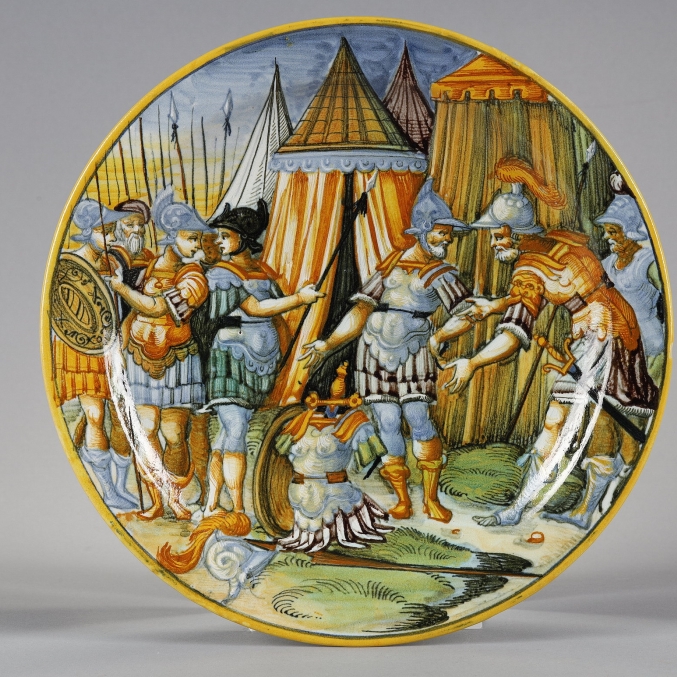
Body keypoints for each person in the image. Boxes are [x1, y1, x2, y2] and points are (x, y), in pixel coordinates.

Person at [442, 159, 659, 529]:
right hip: (616, 334)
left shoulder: (528, 268)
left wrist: (472, 363)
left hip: (600, 338)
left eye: (496, 235)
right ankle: (581, 511)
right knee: (602, 425)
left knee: (559, 423)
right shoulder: (558, 244)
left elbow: (512, 335)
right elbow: (553, 291)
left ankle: (521, 510)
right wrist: (495, 304)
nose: (493, 244)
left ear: (511, 231)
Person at [300, 179, 473, 523]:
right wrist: (327, 343)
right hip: (373, 352)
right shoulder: (391, 263)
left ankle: (431, 500)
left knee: (418, 419)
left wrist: (440, 337)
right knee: (388, 423)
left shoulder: (441, 272)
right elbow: (361, 310)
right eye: (442, 232)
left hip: (414, 351)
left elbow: (467, 313)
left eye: (449, 234)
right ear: (423, 230)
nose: (447, 239)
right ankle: (402, 499)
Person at [200, 200, 325, 517]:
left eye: (226, 236)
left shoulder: (263, 272)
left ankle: (213, 502)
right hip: (232, 357)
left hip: (263, 359)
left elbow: (276, 310)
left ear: (244, 238)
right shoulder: (221, 274)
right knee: (235, 428)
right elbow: (255, 308)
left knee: (229, 432)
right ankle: (238, 507)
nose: (219, 242)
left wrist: (298, 301)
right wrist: (299, 298)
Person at [108, 189, 211, 520]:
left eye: (199, 239)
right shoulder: (149, 266)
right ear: (172, 237)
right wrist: (120, 350)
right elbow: (132, 317)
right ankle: (156, 500)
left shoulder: (195, 277)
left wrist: (122, 289)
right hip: (139, 357)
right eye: (191, 238)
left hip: (177, 360)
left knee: (173, 434)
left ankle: (176, 499)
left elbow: (155, 308)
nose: (197, 245)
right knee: (145, 429)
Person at [54, 199, 142, 510]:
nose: (112, 237)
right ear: (88, 232)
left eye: (112, 230)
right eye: (105, 231)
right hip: (80, 349)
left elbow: (117, 309)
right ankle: (108, 491)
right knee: (95, 415)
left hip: (110, 347)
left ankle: (118, 486)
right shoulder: (70, 265)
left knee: (121, 417)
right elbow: (62, 312)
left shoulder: (113, 265)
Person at [274, 363, 393, 552]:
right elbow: (278, 455)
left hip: (334, 495)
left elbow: (370, 460)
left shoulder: (355, 422)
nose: (335, 390)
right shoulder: (297, 422)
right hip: (299, 494)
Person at [593, 176, 665, 380]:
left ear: (630, 232)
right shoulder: (607, 264)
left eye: (613, 232)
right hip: (615, 340)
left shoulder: (646, 262)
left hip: (647, 343)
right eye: (606, 232)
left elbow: (670, 302)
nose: (607, 237)